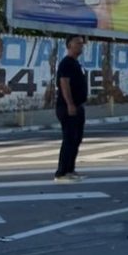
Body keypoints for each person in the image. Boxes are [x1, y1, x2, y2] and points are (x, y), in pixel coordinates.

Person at [55, 36, 88, 182]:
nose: (81, 46)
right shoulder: (66, 63)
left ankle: (70, 169)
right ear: (69, 45)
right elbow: (64, 84)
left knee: (76, 139)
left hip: (78, 106)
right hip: (68, 107)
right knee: (69, 139)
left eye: (82, 43)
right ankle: (61, 173)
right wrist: (70, 104)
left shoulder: (75, 63)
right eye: (77, 43)